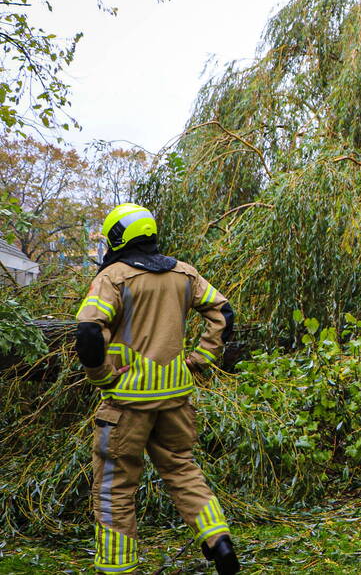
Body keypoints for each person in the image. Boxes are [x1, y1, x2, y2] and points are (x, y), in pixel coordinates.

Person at [75, 203, 240, 573]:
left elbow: (88, 332)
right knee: (183, 470)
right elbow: (222, 314)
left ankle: (118, 567)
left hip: (127, 403)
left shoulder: (113, 277)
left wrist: (101, 376)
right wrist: (199, 359)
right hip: (176, 398)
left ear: (118, 236)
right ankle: (219, 542)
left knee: (115, 487)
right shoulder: (183, 273)